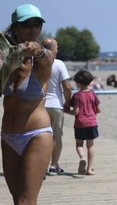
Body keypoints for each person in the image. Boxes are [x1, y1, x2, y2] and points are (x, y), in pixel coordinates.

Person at [2, 4, 54, 204]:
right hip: (8, 136)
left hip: (36, 135)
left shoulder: (43, 58)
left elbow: (46, 57)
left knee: (25, 201)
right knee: (18, 200)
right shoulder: (4, 58)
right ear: (15, 28)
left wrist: (39, 51)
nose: (33, 30)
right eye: (27, 25)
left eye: (37, 25)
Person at [42, 37, 72, 176]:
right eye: (57, 47)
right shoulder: (59, 64)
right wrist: (68, 102)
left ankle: (41, 166)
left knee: (41, 136)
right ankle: (53, 166)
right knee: (56, 137)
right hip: (55, 104)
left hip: (40, 105)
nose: (58, 49)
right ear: (52, 49)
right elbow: (67, 86)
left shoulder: (36, 62)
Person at [65, 69, 101, 175]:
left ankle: (82, 157)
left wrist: (66, 110)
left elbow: (75, 112)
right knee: (90, 145)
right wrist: (91, 115)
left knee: (79, 144)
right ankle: (89, 169)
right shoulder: (93, 94)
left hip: (80, 124)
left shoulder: (76, 96)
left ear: (78, 83)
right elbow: (98, 110)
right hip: (92, 123)